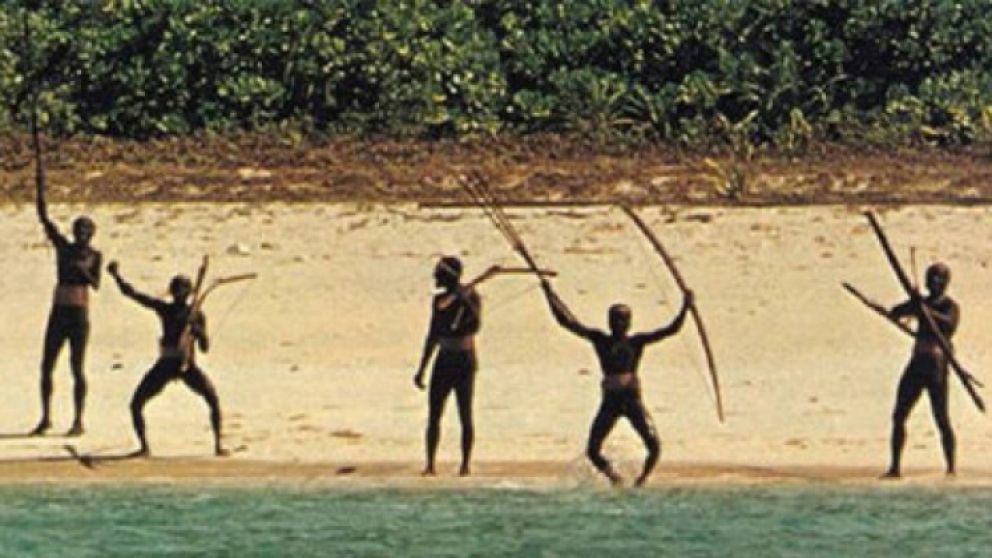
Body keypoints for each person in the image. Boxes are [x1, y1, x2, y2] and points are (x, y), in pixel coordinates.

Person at [539, 278, 692, 487]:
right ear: (609, 321)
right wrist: (549, 293)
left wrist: (686, 306)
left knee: (654, 447)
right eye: (615, 319)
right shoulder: (601, 340)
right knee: (593, 450)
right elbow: (567, 322)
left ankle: (641, 481)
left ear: (629, 322)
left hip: (632, 400)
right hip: (610, 401)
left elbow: (671, 330)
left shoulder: (636, 342)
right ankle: (614, 478)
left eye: (622, 320)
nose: (618, 323)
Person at [107, 261, 226, 457]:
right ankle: (144, 447)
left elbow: (204, 348)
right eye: (177, 289)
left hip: (187, 365)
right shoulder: (166, 310)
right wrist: (116, 276)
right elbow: (134, 295)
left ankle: (218, 445)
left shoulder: (196, 315)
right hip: (166, 364)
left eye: (183, 289)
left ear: (189, 292)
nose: (180, 293)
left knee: (212, 399)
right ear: (172, 291)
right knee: (136, 404)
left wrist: (198, 332)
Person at [32, 175, 101, 436]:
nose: (81, 235)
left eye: (86, 232)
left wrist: (83, 270)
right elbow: (46, 221)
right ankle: (46, 417)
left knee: (77, 367)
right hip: (59, 309)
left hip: (79, 311)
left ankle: (78, 420)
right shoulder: (64, 248)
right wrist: (41, 197)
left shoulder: (94, 256)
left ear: (91, 235)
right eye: (78, 231)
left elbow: (95, 284)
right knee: (47, 365)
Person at [881, 263, 959, 479]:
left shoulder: (949, 306)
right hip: (917, 364)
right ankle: (895, 467)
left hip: (937, 367)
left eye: (939, 278)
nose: (934, 282)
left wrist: (925, 311)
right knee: (899, 415)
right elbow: (895, 312)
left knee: (941, 418)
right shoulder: (920, 303)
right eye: (931, 277)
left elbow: (949, 325)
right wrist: (913, 305)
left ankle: (951, 468)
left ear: (945, 283)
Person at [413, 256, 481, 476]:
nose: (435, 278)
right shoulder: (439, 301)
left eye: (438, 274)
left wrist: (465, 300)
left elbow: (476, 324)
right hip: (444, 359)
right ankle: (430, 464)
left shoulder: (472, 297)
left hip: (464, 360)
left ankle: (465, 465)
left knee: (465, 413)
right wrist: (422, 367)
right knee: (434, 413)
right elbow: (433, 335)